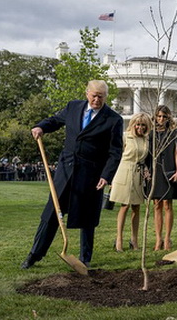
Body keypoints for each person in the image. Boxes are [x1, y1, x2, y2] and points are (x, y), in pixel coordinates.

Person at [21, 80, 123, 269]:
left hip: (91, 176)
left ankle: (85, 259)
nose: (97, 99)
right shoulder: (73, 107)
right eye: (94, 95)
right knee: (51, 213)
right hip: (66, 170)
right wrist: (41, 126)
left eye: (101, 96)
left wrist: (106, 175)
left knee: (87, 218)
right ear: (87, 93)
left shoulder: (113, 119)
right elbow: (54, 120)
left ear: (106, 97)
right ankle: (34, 254)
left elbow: (115, 152)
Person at [146, 105, 177, 251]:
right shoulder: (151, 134)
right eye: (158, 116)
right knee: (156, 204)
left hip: (169, 170)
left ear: (168, 117)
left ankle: (167, 239)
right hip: (155, 171)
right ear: (155, 117)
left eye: (164, 116)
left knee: (167, 204)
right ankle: (158, 239)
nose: (161, 119)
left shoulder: (173, 133)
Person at [110, 112, 152, 252]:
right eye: (138, 124)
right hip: (124, 172)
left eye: (143, 125)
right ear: (133, 124)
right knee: (124, 205)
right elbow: (116, 156)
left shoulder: (146, 140)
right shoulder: (125, 136)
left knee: (136, 207)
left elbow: (144, 159)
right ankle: (119, 239)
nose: (140, 127)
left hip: (138, 174)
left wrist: (146, 170)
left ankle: (134, 240)